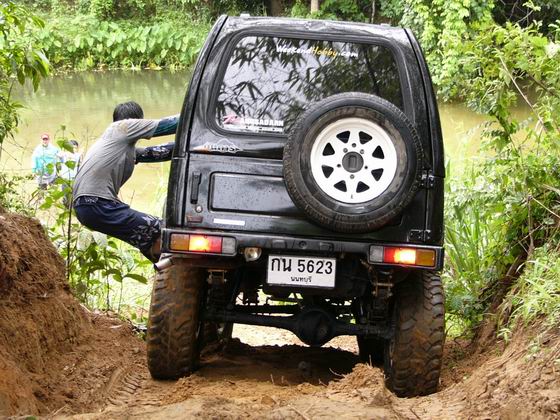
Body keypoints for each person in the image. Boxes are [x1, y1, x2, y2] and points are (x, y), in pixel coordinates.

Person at [72, 101, 178, 262]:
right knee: (166, 230)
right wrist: (209, 114)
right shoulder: (122, 127)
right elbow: (172, 124)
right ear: (138, 121)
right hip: (97, 204)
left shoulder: (118, 144)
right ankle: (172, 271)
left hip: (86, 208)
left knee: (149, 239)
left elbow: (161, 152)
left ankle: (162, 267)